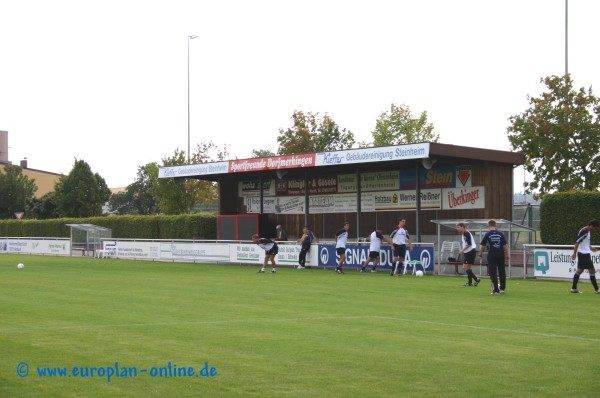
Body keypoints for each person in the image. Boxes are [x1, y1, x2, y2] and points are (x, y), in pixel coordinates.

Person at [570, 219, 600, 294]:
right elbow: (577, 242)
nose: (595, 230)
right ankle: (597, 289)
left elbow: (585, 243)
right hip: (583, 254)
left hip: (584, 253)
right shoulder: (584, 231)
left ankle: (574, 288)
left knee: (579, 270)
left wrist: (590, 247)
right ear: (591, 226)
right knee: (592, 270)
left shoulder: (588, 231)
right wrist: (574, 253)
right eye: (595, 228)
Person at [479, 220, 508, 295]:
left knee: (493, 271)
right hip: (500, 253)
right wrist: (507, 254)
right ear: (495, 225)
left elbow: (482, 246)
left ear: (488, 226)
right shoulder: (500, 234)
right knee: (502, 271)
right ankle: (502, 288)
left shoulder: (487, 234)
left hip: (492, 253)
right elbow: (505, 246)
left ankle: (495, 289)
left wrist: (480, 254)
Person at [456, 222, 480, 286]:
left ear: (462, 227)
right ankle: (470, 282)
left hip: (470, 252)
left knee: (465, 267)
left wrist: (462, 250)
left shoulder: (466, 233)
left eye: (458, 227)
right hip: (469, 252)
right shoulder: (464, 233)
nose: (457, 229)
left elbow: (469, 244)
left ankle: (476, 279)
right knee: (468, 267)